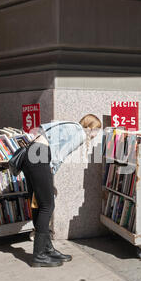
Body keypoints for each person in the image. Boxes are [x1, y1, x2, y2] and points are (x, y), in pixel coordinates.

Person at [22, 115, 102, 268]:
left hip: (31, 155)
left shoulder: (70, 125)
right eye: (97, 130)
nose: (96, 135)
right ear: (91, 127)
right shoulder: (79, 133)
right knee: (47, 206)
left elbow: (41, 131)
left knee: (39, 204)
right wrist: (50, 177)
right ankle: (38, 255)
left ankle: (47, 249)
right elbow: (59, 155)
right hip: (40, 157)